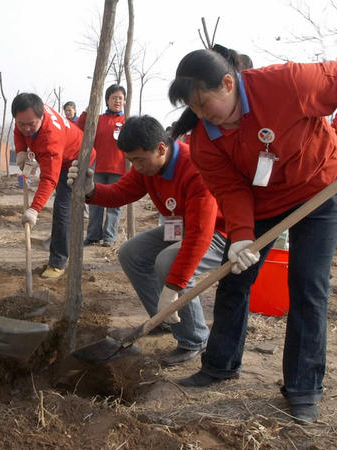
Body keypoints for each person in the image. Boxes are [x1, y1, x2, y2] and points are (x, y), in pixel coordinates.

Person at [168, 48, 337, 424]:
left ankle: (303, 387)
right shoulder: (204, 141)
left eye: (204, 103)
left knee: (308, 286)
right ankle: (219, 365)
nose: (200, 114)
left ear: (228, 83)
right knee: (234, 278)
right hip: (261, 204)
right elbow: (230, 190)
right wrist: (242, 236)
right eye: (192, 108)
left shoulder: (288, 83)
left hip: (318, 191)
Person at [68, 115, 226, 366]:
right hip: (183, 226)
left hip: (220, 233)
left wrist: (173, 287)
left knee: (168, 261)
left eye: (139, 159)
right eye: (131, 161)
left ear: (161, 148)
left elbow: (200, 236)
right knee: (132, 252)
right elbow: (120, 192)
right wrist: (91, 190)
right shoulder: (147, 167)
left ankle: (194, 338)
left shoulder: (195, 169)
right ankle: (163, 319)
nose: (136, 167)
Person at [12, 92, 95, 279]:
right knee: (62, 209)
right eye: (21, 123)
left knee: (62, 208)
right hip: (62, 155)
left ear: (41, 117)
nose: (26, 128)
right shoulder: (27, 118)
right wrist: (20, 152)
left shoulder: (51, 138)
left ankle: (58, 263)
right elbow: (19, 131)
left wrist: (34, 210)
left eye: (31, 124)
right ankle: (57, 242)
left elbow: (49, 179)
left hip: (76, 160)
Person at [77, 84, 126, 247]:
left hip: (118, 169)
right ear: (107, 100)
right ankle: (92, 236)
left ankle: (109, 237)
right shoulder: (98, 119)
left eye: (120, 98)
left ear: (125, 101)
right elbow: (79, 127)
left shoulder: (127, 121)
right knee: (95, 203)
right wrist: (87, 110)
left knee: (114, 205)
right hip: (97, 168)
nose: (117, 101)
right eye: (114, 98)